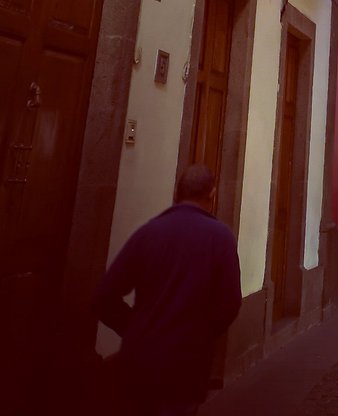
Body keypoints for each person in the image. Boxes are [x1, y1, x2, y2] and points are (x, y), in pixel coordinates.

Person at [94, 163, 242, 416]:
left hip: (139, 359)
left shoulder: (149, 232)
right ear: (212, 194)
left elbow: (103, 296)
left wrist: (134, 327)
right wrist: (201, 334)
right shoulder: (220, 237)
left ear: (177, 193)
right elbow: (229, 303)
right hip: (185, 363)